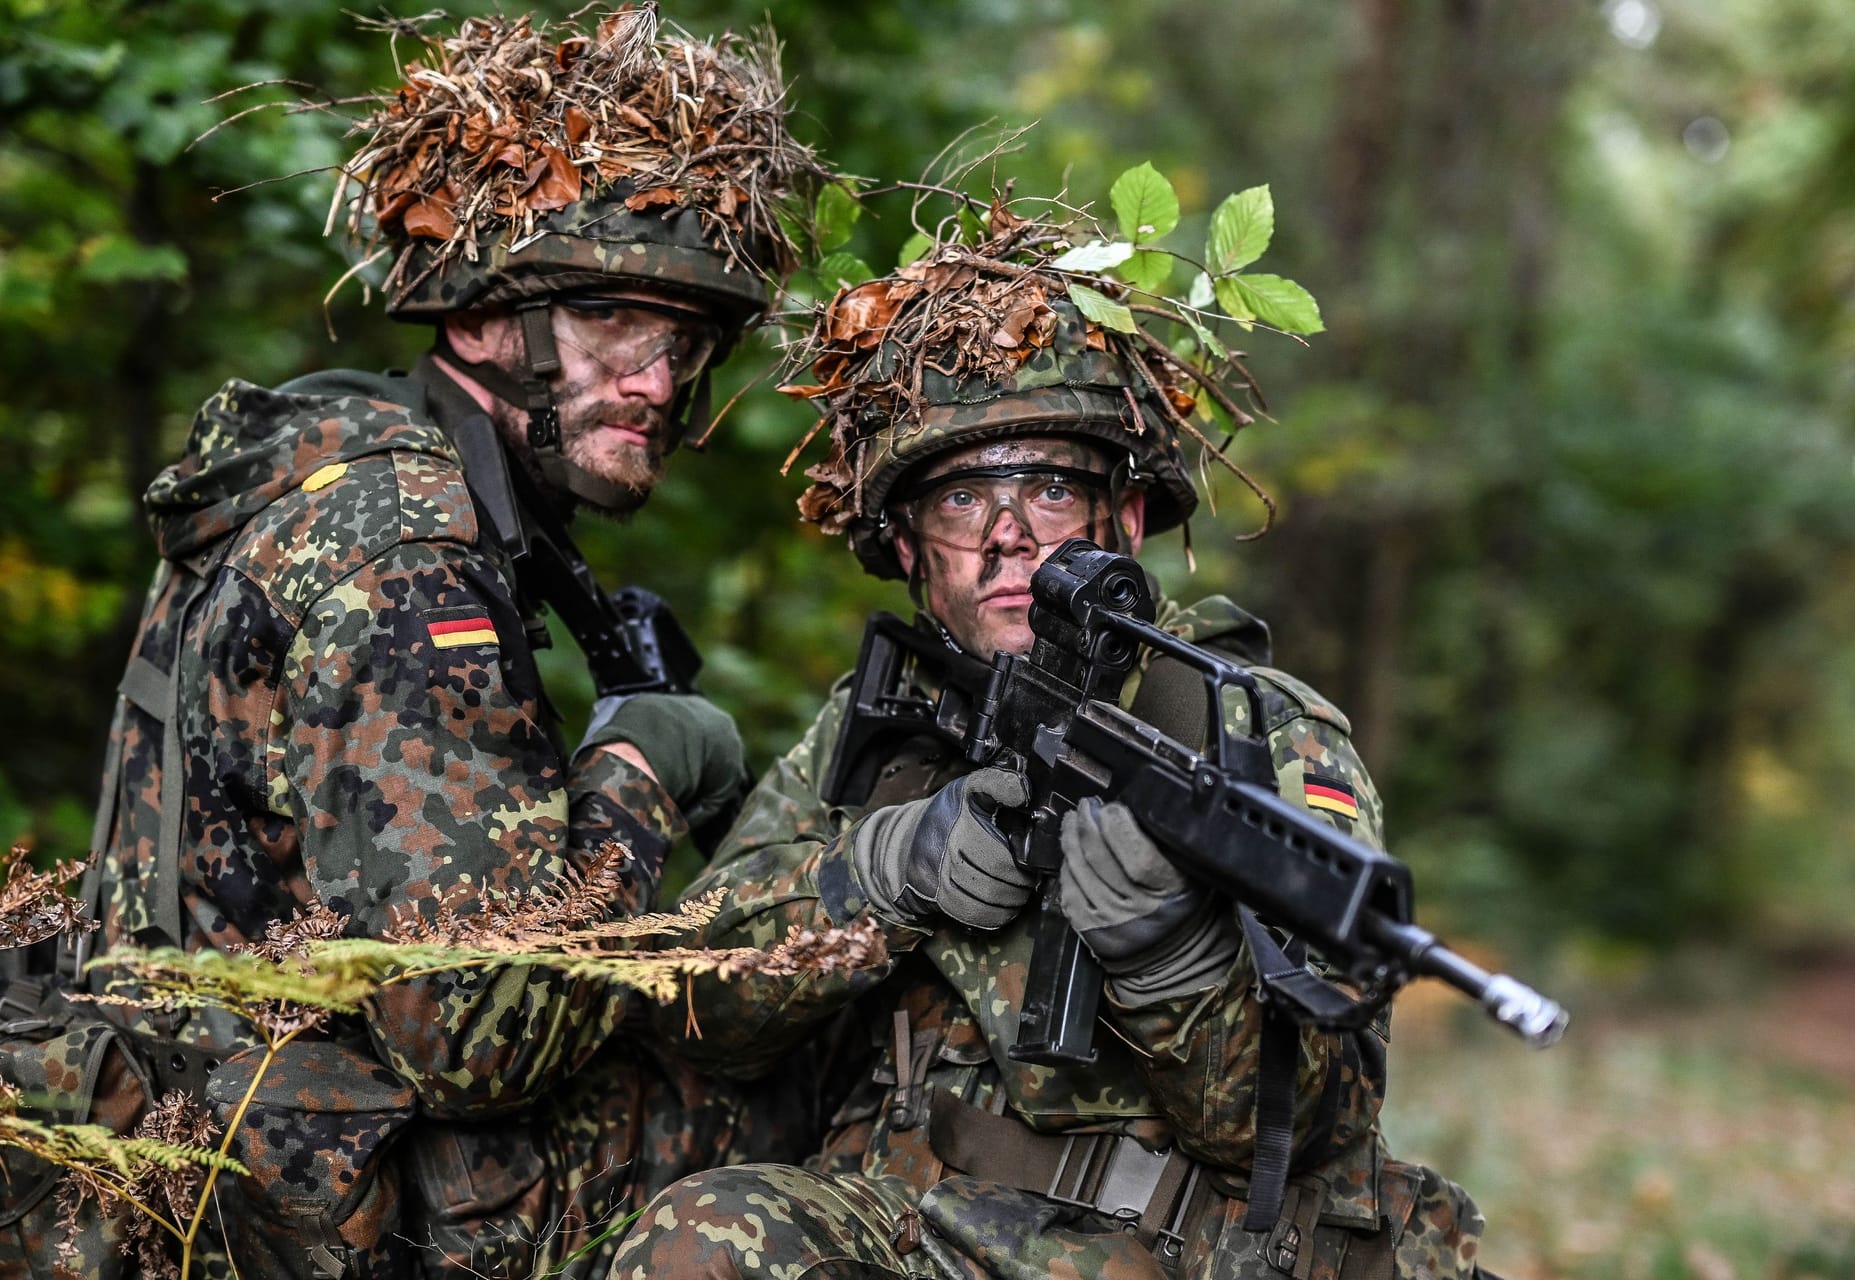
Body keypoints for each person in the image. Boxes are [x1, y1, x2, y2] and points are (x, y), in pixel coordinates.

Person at [0, 12, 830, 1280]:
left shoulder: (330, 466)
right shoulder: (409, 553)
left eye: (686, 340)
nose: (659, 382)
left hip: (214, 1120)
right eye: (611, 319)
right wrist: (640, 773)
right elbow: (472, 1032)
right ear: (486, 319)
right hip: (296, 1203)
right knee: (804, 1095)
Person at [610, 223, 1488, 1279]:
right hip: (905, 1229)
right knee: (699, 1237)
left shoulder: (1253, 728)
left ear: (1123, 518)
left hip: (1164, 1248)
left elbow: (1315, 1126)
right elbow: (697, 1004)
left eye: (1053, 491)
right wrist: (877, 874)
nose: (1009, 536)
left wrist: (1174, 962)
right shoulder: (876, 724)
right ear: (906, 549)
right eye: (962, 497)